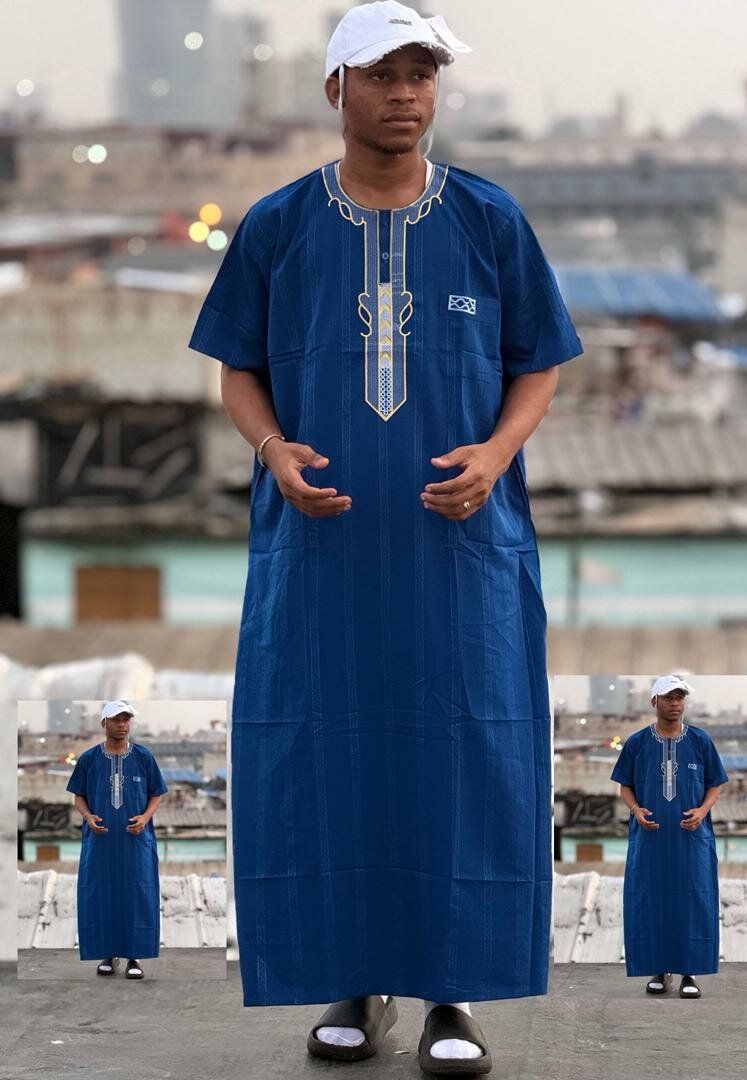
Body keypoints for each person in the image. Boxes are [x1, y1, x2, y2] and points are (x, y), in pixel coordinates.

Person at [188, 2, 583, 1073]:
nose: (406, 92)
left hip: (461, 557)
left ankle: (455, 997)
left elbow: (537, 361)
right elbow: (239, 367)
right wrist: (272, 449)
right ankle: (352, 988)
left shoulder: (490, 219)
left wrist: (497, 453)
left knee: (467, 750)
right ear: (337, 91)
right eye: (382, 74)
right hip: (321, 557)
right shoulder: (277, 223)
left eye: (421, 74)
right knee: (327, 752)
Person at [610, 674, 729, 999]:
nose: (675, 703)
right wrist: (635, 810)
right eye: (668, 697)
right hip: (650, 841)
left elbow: (715, 783)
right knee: (652, 899)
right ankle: (659, 970)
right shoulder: (636, 742)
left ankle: (689, 973)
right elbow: (625, 786)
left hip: (691, 841)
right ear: (655, 702)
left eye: (680, 698)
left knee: (692, 899)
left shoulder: (700, 740)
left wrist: (702, 811)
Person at [66, 700, 168, 980]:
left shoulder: (144, 757)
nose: (122, 724)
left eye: (126, 719)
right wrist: (88, 817)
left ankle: (134, 957)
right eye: (116, 719)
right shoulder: (88, 759)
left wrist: (145, 817)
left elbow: (157, 793)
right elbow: (78, 795)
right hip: (100, 842)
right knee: (101, 894)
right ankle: (107, 955)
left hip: (136, 843)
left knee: (137, 893)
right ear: (104, 723)